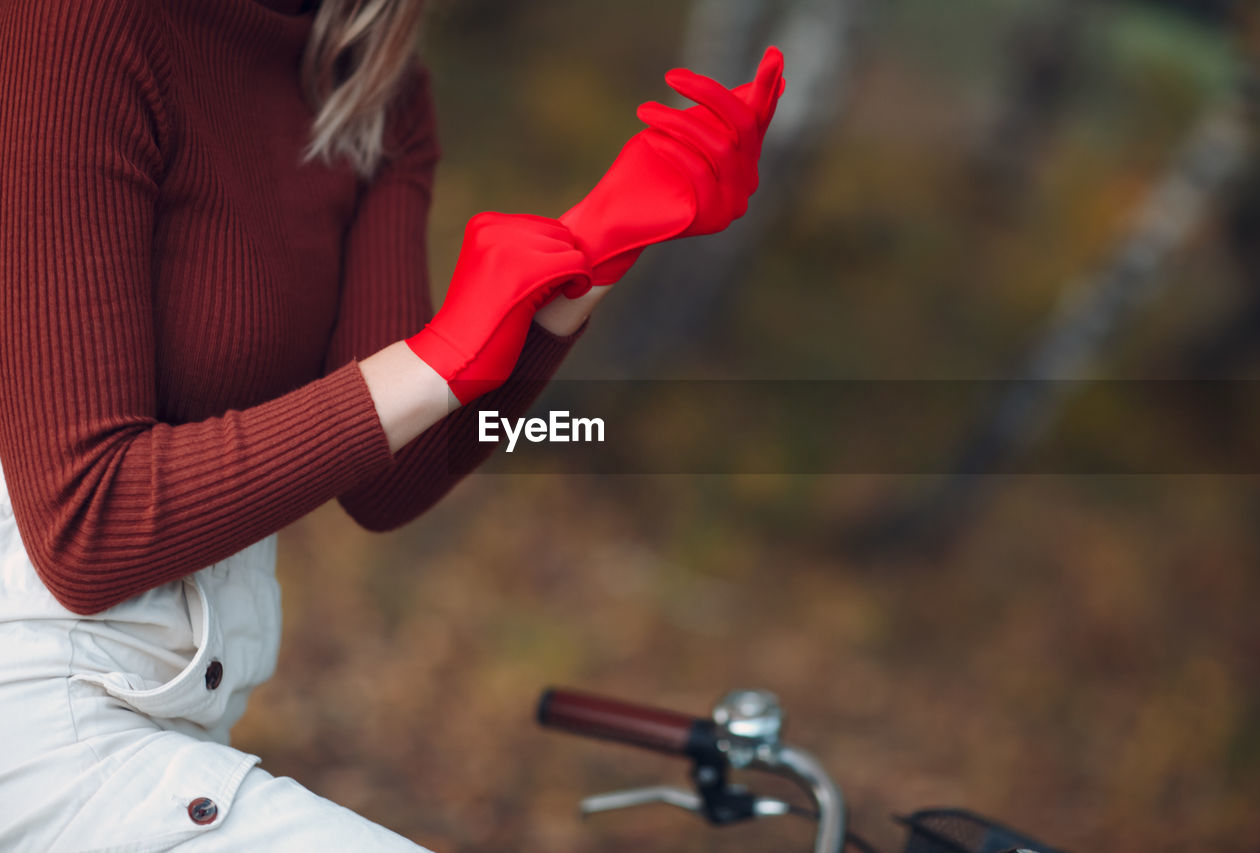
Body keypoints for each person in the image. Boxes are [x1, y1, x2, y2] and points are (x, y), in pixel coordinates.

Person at [0, 0, 785, 848]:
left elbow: (389, 479)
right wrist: (439, 356)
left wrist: (589, 256)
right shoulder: (73, 25)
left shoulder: (371, 72)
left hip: (178, 721)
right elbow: (89, 524)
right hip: (40, 712)